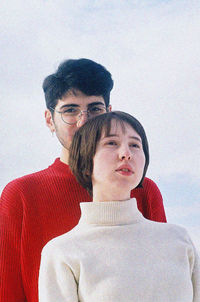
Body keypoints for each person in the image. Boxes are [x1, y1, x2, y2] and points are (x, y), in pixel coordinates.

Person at [0, 59, 166, 302]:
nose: (84, 121)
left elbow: (167, 280)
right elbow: (7, 290)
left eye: (95, 109)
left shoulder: (142, 189)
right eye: (70, 110)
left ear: (109, 113)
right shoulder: (21, 194)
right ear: (49, 120)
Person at [39, 111, 200, 302]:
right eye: (111, 143)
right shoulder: (63, 252)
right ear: (85, 162)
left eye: (135, 145)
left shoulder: (178, 241)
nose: (126, 154)